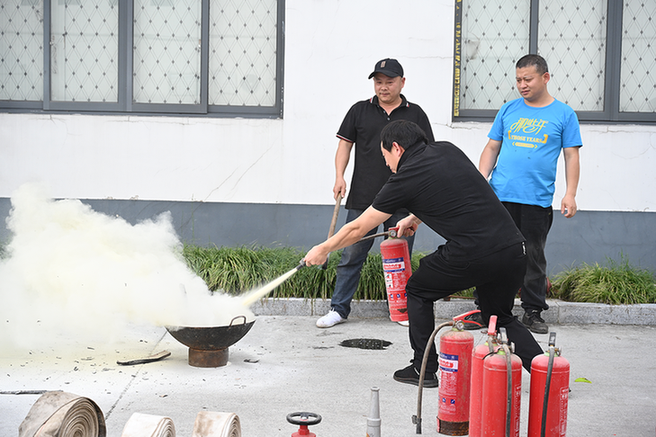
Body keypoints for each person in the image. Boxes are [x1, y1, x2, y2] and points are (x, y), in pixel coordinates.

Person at [304, 120, 544, 387]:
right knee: (499, 316)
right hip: (513, 249)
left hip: (475, 252)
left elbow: (358, 227)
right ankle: (548, 374)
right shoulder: (447, 149)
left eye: (385, 156)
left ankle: (424, 368)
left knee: (418, 290)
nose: (386, 164)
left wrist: (323, 248)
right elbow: (457, 191)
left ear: (396, 148)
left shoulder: (404, 178)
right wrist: (414, 217)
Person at [316, 58, 434, 328]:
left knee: (399, 258)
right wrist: (339, 176)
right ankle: (338, 309)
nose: (383, 87)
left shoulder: (415, 114)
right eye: (378, 82)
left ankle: (401, 311)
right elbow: (344, 146)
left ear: (402, 83)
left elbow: (427, 153)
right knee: (351, 255)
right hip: (364, 196)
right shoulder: (359, 110)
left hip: (404, 199)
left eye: (389, 82)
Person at [472, 53, 582, 334]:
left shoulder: (564, 114)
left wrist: (570, 193)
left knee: (532, 257)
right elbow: (492, 147)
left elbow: (571, 156)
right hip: (500, 196)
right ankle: (488, 310)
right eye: (518, 79)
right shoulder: (508, 110)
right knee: (493, 253)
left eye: (528, 79)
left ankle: (532, 311)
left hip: (536, 199)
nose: (522, 85)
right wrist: (480, 179)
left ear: (545, 78)